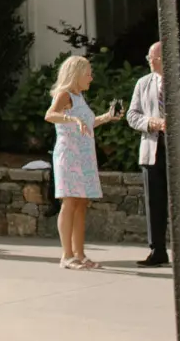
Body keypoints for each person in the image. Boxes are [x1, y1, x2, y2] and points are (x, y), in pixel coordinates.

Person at [47, 54, 123, 271]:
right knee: (69, 202)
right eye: (88, 73)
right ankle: (67, 256)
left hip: (84, 156)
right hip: (69, 155)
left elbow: (87, 123)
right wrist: (72, 119)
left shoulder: (79, 97)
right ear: (76, 74)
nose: (91, 77)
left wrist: (107, 117)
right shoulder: (64, 94)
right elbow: (50, 115)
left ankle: (79, 254)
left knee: (81, 204)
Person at [127, 42, 169, 268]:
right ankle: (157, 250)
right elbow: (132, 115)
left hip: (177, 150)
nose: (151, 61)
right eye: (149, 57)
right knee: (154, 202)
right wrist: (151, 122)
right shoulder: (143, 83)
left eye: (155, 58)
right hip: (152, 149)